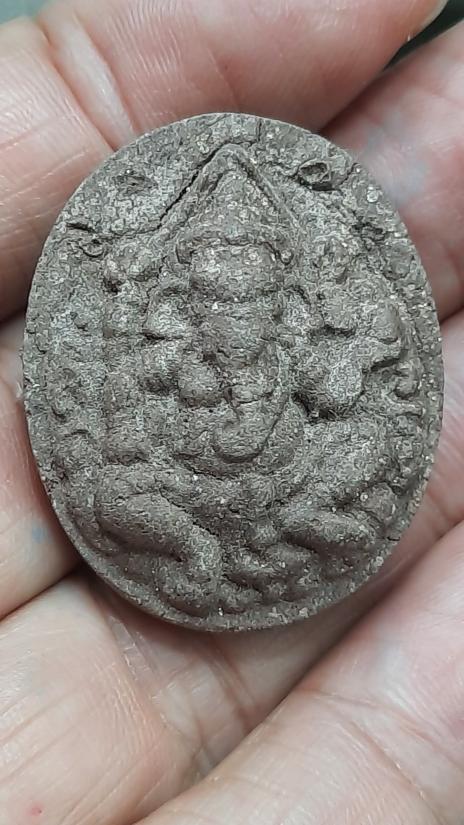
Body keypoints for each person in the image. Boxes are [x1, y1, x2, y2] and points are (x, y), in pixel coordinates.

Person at [0, 0, 462, 822]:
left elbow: (348, 395)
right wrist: (132, 365)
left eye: (254, 298)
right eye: (217, 298)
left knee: (366, 450)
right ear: (187, 297)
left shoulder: (297, 347)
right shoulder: (166, 352)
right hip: (186, 498)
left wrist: (353, 362)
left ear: (281, 298)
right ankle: (209, 551)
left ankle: (288, 530)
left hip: (292, 482)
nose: (236, 316)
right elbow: (119, 442)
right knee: (109, 496)